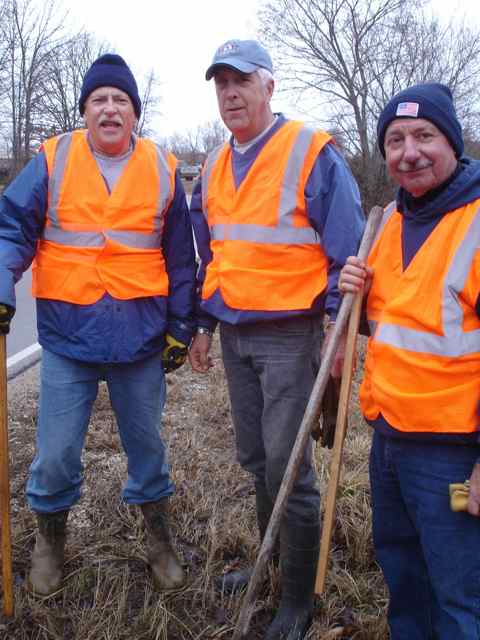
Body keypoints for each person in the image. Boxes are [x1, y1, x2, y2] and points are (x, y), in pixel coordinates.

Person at [0, 54, 196, 596]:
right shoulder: (52, 159)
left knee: (148, 449)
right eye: (99, 100)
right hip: (68, 338)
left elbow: (182, 257)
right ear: (84, 109)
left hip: (139, 340)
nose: (110, 109)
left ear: (135, 112)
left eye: (121, 101)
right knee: (58, 452)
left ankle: (159, 541)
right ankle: (50, 545)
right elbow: (10, 228)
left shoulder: (163, 167)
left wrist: (182, 324)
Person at [189, 39, 364, 639]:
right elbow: (212, 254)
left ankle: (296, 600)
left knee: (290, 465)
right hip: (236, 334)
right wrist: (205, 328)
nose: (230, 94)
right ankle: (268, 562)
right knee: (257, 458)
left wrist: (340, 335)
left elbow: (348, 252)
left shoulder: (312, 154)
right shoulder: (211, 165)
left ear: (269, 86)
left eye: (241, 81)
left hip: (291, 334)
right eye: (221, 84)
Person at [339, 83, 480, 639]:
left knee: (459, 593)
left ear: (452, 142)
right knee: (404, 580)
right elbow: (397, 325)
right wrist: (355, 295)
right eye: (395, 140)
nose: (409, 152)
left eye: (424, 135)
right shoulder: (390, 221)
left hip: (453, 455)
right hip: (389, 443)